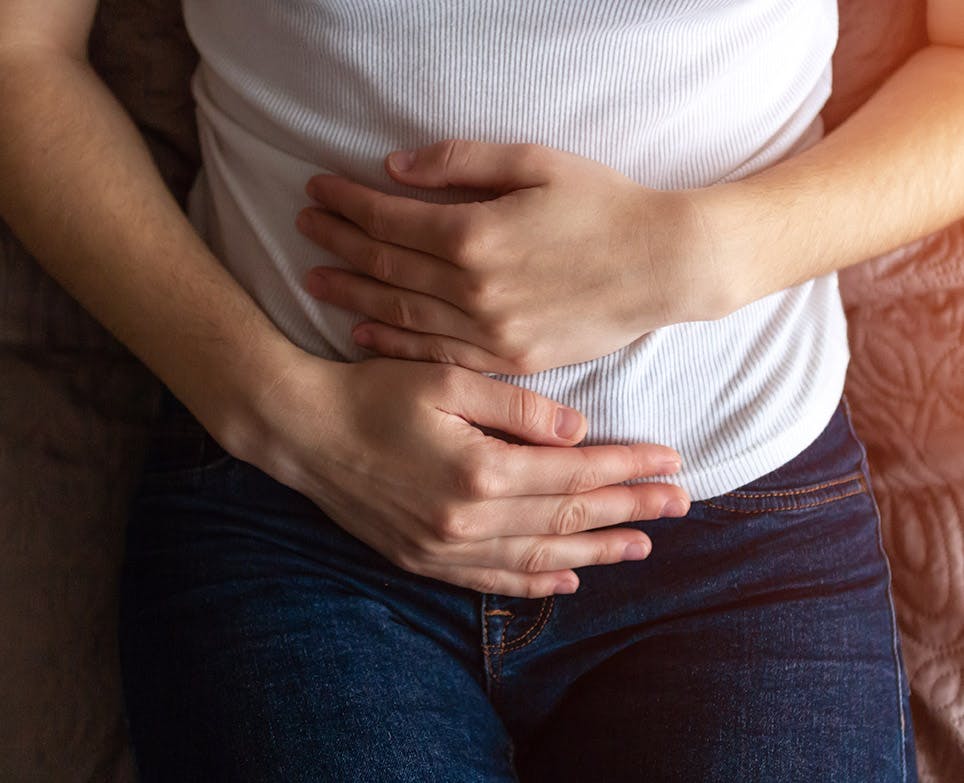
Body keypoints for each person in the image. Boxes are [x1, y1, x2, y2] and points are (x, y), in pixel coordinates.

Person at [1, 1, 962, 780]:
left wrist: (696, 256)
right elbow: (19, 55)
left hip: (745, 524)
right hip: (295, 514)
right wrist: (285, 415)